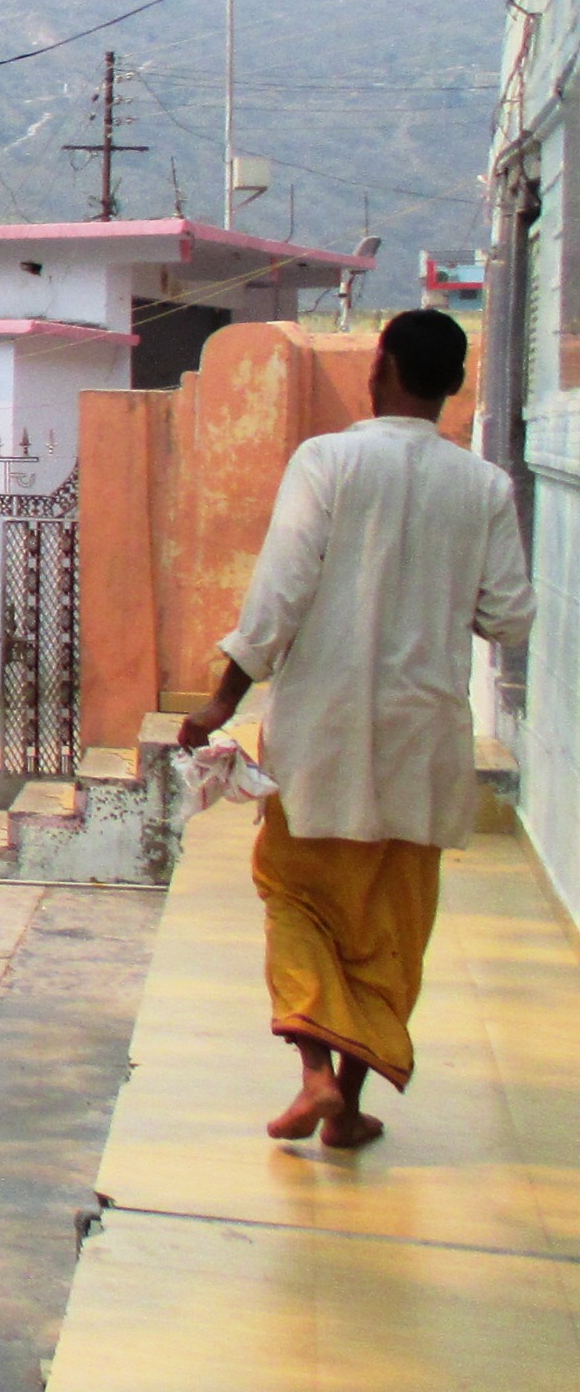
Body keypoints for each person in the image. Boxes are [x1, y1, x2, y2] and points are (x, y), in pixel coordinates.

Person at [176, 309, 534, 1148]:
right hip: (423, 740)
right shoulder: (482, 487)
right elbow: (509, 616)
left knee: (296, 897)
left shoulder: (328, 461)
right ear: (451, 388)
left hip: (324, 733)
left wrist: (225, 698)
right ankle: (349, 1101)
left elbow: (280, 594)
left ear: (380, 369)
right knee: (388, 925)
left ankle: (312, 1079)